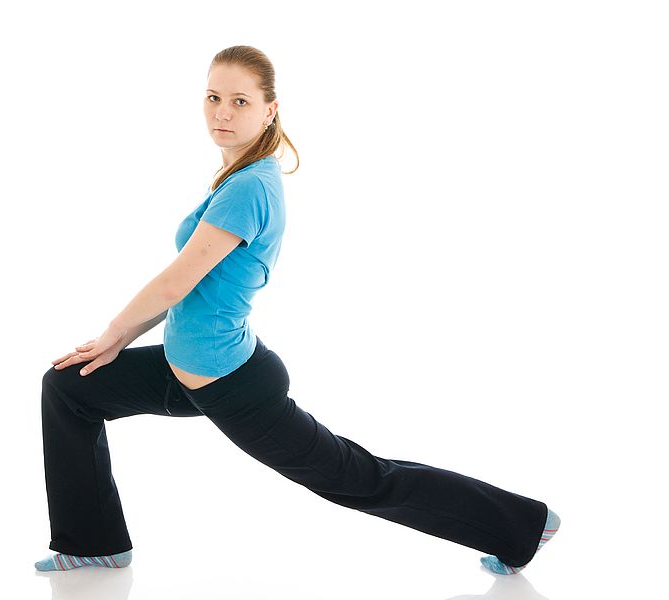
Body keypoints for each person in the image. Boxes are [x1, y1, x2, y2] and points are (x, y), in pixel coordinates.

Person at [35, 45, 560, 576]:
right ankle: (95, 540)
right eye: (214, 97)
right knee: (71, 387)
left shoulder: (248, 188)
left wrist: (114, 333)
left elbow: (175, 284)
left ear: (269, 109)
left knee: (361, 480)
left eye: (240, 101)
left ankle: (522, 524)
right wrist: (120, 341)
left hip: (229, 384)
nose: (222, 112)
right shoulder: (237, 177)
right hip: (188, 369)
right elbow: (187, 290)